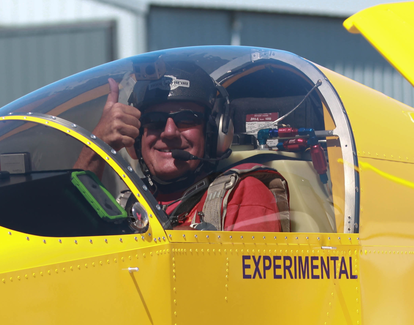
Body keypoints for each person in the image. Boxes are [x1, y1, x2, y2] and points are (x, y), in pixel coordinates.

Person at [89, 60, 288, 232]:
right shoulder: (126, 204)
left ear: (215, 133)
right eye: (155, 121)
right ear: (137, 138)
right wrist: (96, 145)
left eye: (186, 119)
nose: (169, 132)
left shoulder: (242, 196)